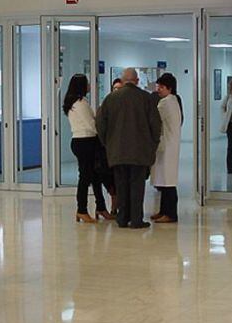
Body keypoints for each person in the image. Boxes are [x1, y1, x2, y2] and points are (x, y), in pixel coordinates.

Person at [96, 68, 161, 229]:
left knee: (121, 185)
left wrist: (108, 143)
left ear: (122, 80)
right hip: (139, 152)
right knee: (137, 186)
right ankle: (136, 219)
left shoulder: (111, 99)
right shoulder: (146, 99)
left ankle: (122, 218)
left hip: (117, 151)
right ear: (137, 81)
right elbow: (155, 125)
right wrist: (152, 144)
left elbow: (100, 124)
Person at [63, 74, 113, 223]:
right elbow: (91, 125)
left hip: (81, 141)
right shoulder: (80, 103)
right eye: (87, 83)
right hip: (86, 142)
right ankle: (82, 210)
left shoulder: (75, 102)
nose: (90, 85)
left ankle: (101, 207)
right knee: (85, 177)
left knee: (95, 176)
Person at [150, 73, 182, 223]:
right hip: (169, 145)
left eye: (161, 87)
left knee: (167, 183)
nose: (158, 90)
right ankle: (163, 211)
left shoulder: (165, 103)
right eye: (158, 86)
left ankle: (170, 214)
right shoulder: (174, 100)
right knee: (164, 181)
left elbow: (153, 119)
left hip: (166, 146)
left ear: (170, 88)